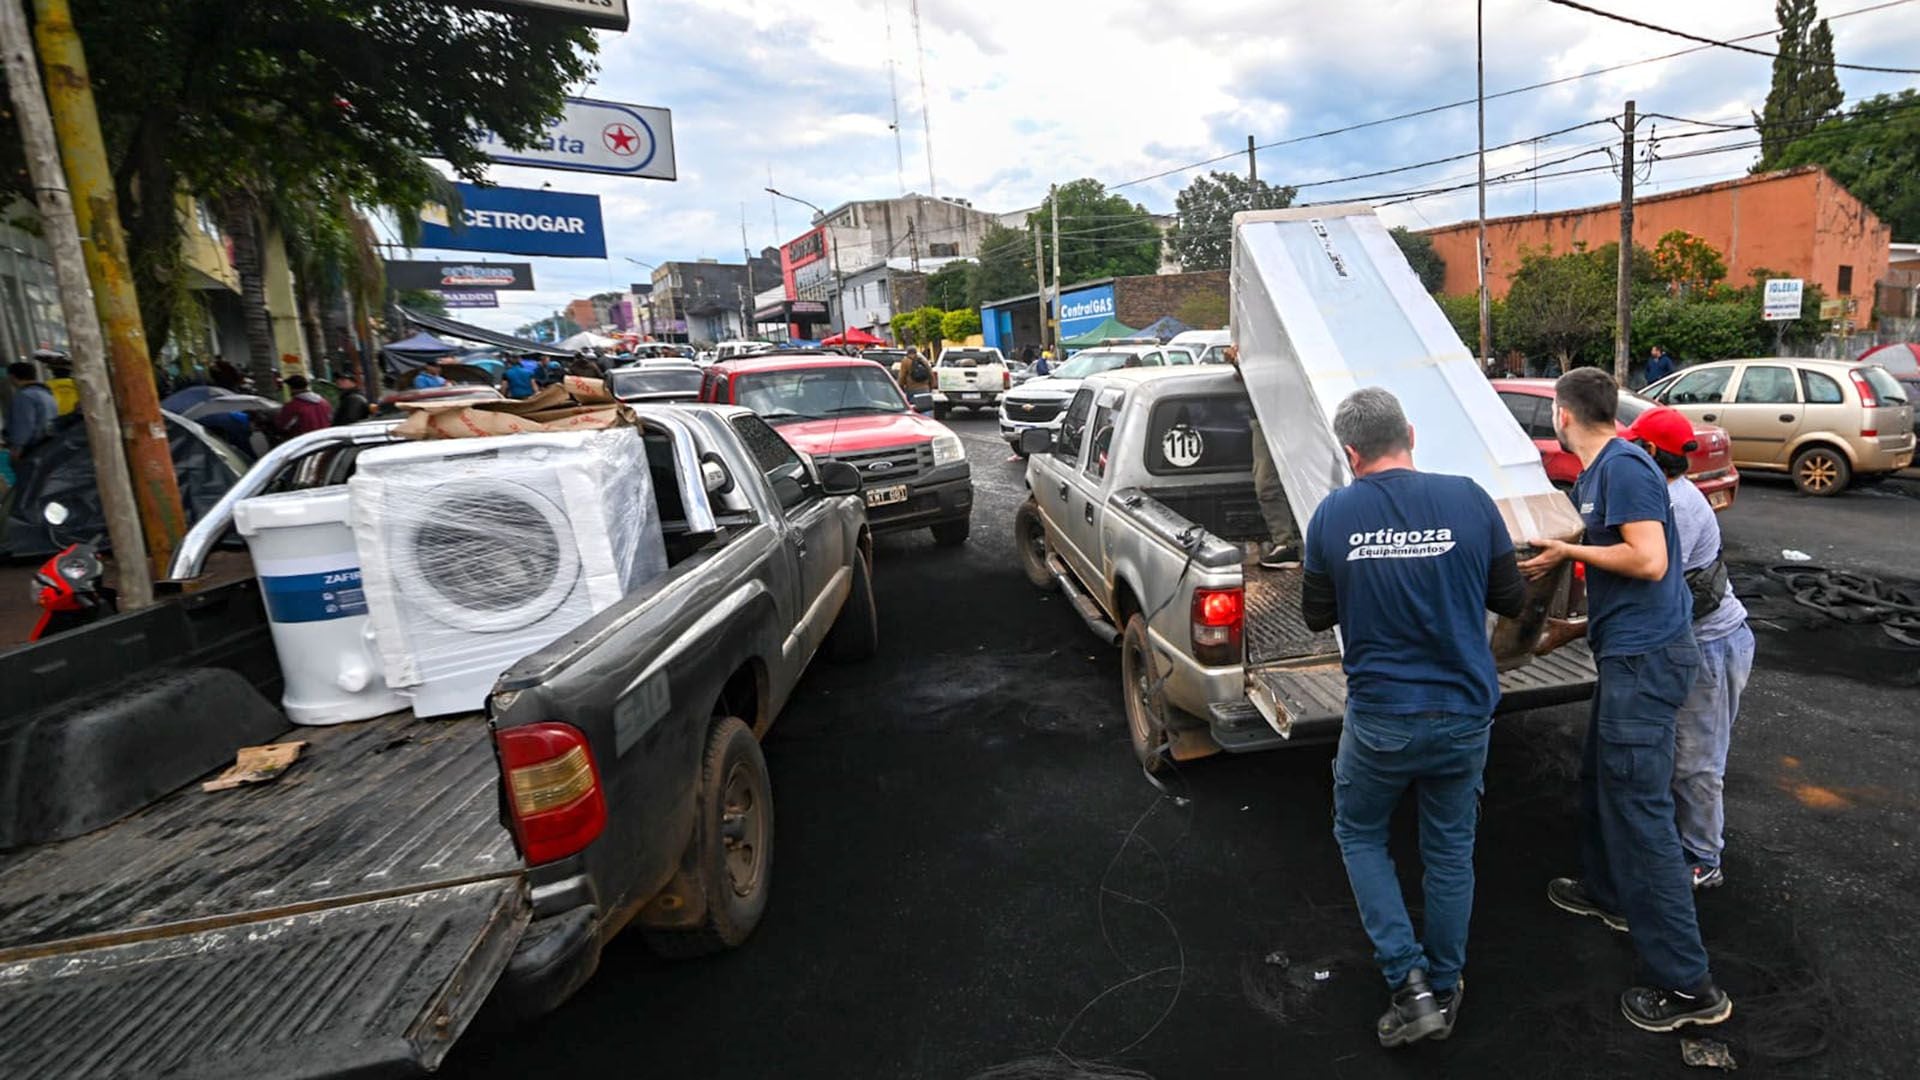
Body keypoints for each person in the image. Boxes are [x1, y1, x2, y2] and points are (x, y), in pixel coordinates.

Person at [1302, 387, 1526, 1048]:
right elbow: (1510, 599)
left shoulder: (1332, 514)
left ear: (1350, 453)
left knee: (1361, 833)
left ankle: (1410, 984)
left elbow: (1317, 615)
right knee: (1450, 849)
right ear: (1410, 432)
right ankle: (1448, 986)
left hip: (1381, 720)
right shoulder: (1469, 497)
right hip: (1463, 712)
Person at [1519, 367, 1730, 1033]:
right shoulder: (1599, 474)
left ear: (1562, 415)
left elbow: (1649, 561)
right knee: (1601, 778)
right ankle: (1608, 893)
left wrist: (1565, 548)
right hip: (1626, 653)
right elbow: (1624, 554)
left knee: (1642, 816)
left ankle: (1689, 988)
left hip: (1648, 661)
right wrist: (1570, 574)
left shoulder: (1625, 467)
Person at [1619, 407, 1753, 890]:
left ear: (1651, 452)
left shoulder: (1676, 507)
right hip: (1702, 642)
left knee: (1698, 758)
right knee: (1683, 752)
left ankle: (1702, 858)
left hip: (1712, 646)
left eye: (1635, 444)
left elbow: (1651, 576)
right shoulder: (1668, 494)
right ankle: (1680, 841)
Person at [1222, 344, 1298, 568]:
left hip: (1300, 416)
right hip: (1265, 420)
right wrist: (1238, 363)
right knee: (1266, 484)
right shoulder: (1258, 335)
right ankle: (1285, 544)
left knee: (1307, 477)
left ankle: (1299, 543)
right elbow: (1257, 380)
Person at [4, 360, 58, 461]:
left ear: (12, 377)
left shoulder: (24, 396)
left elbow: (24, 424)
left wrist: (17, 448)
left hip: (31, 450)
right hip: (48, 446)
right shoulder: (46, 394)